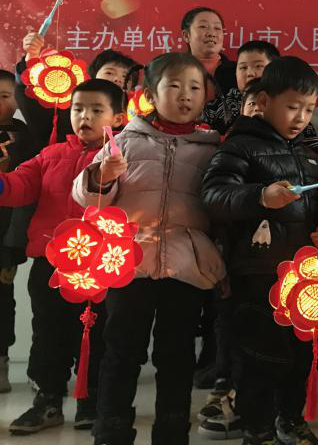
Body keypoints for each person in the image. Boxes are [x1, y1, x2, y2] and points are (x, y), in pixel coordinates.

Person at [72, 53, 226, 445]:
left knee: (177, 355)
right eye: (174, 86)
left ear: (205, 95)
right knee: (121, 351)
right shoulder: (124, 140)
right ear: (151, 95)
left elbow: (222, 208)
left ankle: (172, 433)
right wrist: (101, 177)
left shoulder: (212, 149)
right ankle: (111, 430)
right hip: (129, 263)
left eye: (194, 87)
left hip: (187, 267)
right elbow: (86, 198)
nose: (185, 95)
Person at [201, 56, 318, 445]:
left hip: (304, 277)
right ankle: (258, 430)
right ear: (264, 102)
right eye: (293, 106)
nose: (301, 117)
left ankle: (290, 420)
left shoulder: (307, 154)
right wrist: (261, 196)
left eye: (308, 109)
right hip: (256, 274)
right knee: (259, 359)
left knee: (302, 356)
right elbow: (213, 196)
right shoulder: (240, 145)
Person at [1, 79, 126, 434]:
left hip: (102, 266)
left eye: (96, 110)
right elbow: (18, 186)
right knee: (48, 333)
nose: (85, 116)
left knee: (99, 334)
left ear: (118, 117)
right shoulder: (51, 155)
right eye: (78, 109)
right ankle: (48, 400)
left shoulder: (123, 157)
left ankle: (92, 401)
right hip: (51, 262)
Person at [17, 33, 138, 147]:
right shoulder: (66, 106)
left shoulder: (134, 124)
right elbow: (32, 95)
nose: (118, 79)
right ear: (93, 75)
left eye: (125, 77)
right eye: (109, 73)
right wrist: (32, 55)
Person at [0, 68, 34, 394]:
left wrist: (15, 242)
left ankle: (1, 362)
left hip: (5, 237)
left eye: (5, 96)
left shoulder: (24, 138)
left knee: (1, 300)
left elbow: (27, 196)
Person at [202, 40, 279, 133]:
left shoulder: (283, 104)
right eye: (243, 68)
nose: (250, 73)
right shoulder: (221, 105)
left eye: (258, 66)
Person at [181, 7, 236, 97]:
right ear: (186, 35)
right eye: (203, 27)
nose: (211, 33)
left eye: (217, 28)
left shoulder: (236, 71)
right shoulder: (172, 71)